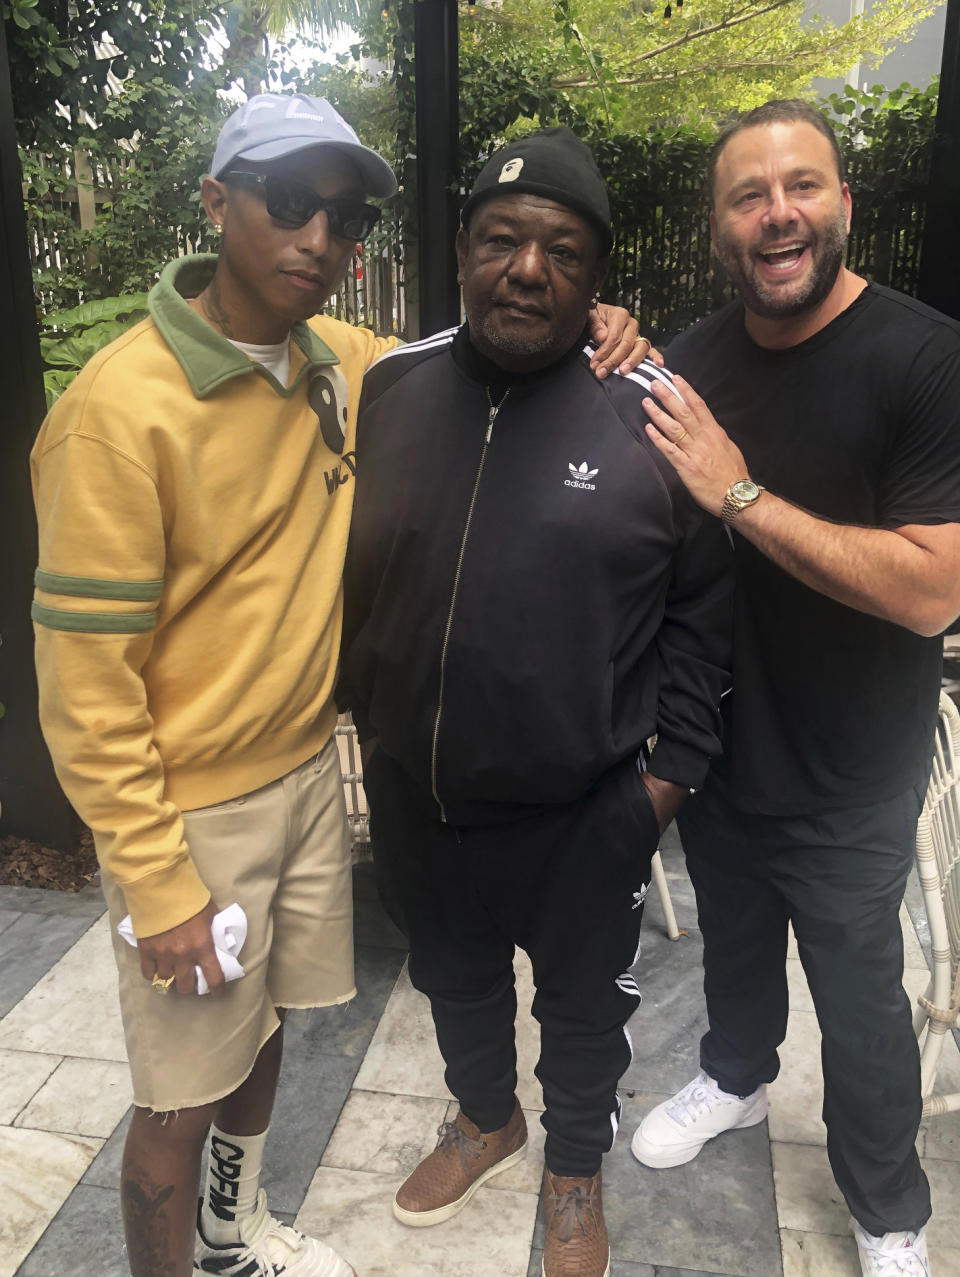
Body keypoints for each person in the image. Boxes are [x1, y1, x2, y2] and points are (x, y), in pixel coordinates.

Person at [29, 95, 653, 1277]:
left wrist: (600, 322)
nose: (319, 236)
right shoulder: (116, 413)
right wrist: (155, 878)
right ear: (216, 202)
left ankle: (237, 1231)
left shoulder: (350, 366)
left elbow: (488, 353)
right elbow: (81, 680)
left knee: (262, 1035)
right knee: (174, 1094)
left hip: (313, 775)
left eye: (344, 214)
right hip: (191, 809)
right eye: (288, 200)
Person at [340, 127, 733, 1277]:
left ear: (597, 280)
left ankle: (571, 1168)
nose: (528, 268)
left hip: (583, 811)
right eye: (503, 239)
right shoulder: (390, 385)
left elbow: (707, 619)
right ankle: (483, 1116)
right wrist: (374, 714)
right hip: (419, 791)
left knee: (583, 1011)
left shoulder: (652, 410)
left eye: (563, 251)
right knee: (452, 976)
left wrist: (662, 783)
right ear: (461, 249)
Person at [629, 99, 960, 1277]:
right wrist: (608, 336)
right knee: (733, 943)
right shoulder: (691, 358)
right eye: (749, 195)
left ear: (842, 206)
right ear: (720, 226)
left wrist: (740, 491)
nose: (779, 214)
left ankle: (887, 1210)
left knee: (862, 1002)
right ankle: (735, 1077)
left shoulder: (923, 357)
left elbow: (933, 590)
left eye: (802, 187)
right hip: (721, 746)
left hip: (853, 769)